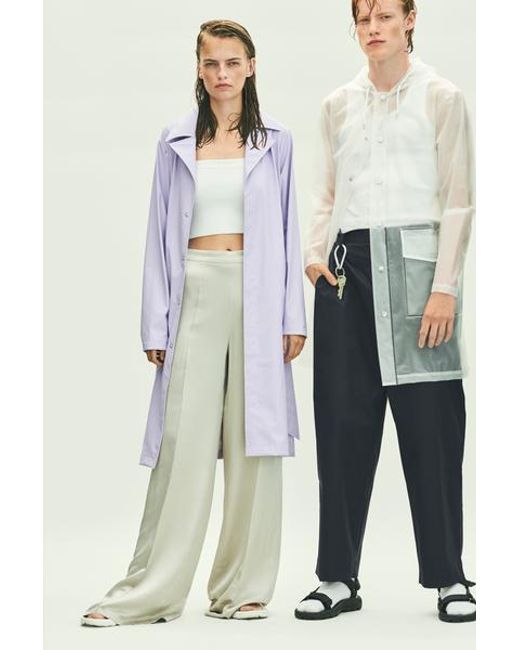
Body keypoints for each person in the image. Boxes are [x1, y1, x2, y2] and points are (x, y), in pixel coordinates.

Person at [80, 19, 306, 626]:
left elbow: (289, 231)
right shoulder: (175, 140)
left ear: (251, 66)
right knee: (183, 445)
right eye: (211, 63)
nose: (222, 74)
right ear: (199, 70)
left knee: (254, 442)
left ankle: (243, 588)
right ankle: (150, 591)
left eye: (233, 62)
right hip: (196, 291)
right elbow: (158, 232)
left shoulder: (277, 141)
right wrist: (155, 324)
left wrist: (293, 316)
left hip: (259, 295)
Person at [294, 0, 475, 623]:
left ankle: (450, 578)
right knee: (342, 425)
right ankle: (337, 577)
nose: (373, 29)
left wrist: (445, 286)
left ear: (410, 20)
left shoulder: (441, 97)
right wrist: (314, 256)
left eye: (385, 18)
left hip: (420, 274)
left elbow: (458, 198)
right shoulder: (338, 104)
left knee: (433, 428)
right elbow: (324, 190)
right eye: (363, 19)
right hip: (348, 273)